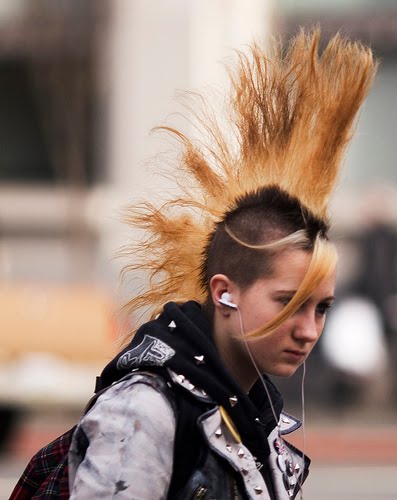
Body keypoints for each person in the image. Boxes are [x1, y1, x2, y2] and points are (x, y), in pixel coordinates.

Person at [12, 29, 376, 499]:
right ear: (224, 292)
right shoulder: (145, 411)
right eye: (289, 302)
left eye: (322, 308)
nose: (309, 329)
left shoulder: (253, 418)